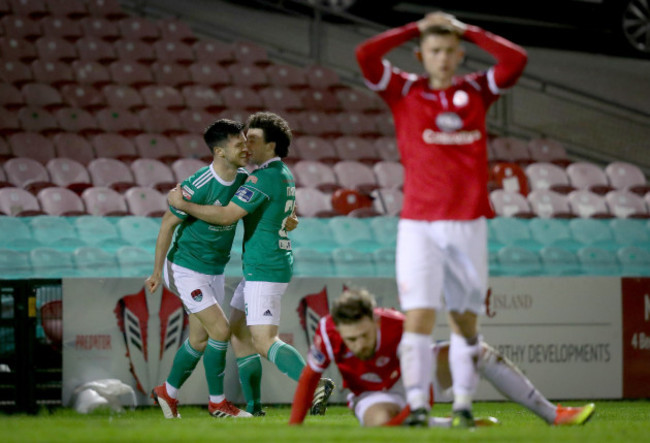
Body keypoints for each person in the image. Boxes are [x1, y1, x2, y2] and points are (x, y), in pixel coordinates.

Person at [355, 11, 528, 427]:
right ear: (421, 54)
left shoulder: (477, 90)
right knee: (419, 314)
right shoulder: (404, 91)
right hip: (418, 224)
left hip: (468, 222)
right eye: (434, 50)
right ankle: (417, 405)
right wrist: (416, 26)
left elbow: (516, 60)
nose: (443, 58)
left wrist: (466, 28)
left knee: (465, 319)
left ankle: (464, 404)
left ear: (459, 54)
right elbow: (365, 54)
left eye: (451, 51)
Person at [167, 111, 335, 416]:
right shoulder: (282, 174)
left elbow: (227, 215)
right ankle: (255, 408)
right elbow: (283, 214)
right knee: (238, 334)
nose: (247, 145)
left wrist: (183, 205)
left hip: (265, 268)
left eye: (253, 140)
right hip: (263, 266)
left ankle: (313, 383)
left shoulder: (262, 177)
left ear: (270, 146)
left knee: (263, 340)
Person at [289, 289, 595, 427]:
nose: (358, 345)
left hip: (412, 376)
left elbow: (424, 381)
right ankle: (450, 425)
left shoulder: (398, 325)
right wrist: (293, 430)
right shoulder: (329, 331)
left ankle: (554, 415)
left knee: (477, 351)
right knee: (380, 426)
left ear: (376, 321)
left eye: (364, 336)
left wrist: (417, 408)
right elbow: (308, 379)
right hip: (368, 393)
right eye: (351, 339)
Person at [146, 119, 255, 419]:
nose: (246, 148)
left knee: (199, 339)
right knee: (221, 330)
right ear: (219, 151)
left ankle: (167, 392)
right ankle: (218, 404)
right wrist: (157, 271)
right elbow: (167, 225)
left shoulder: (244, 179)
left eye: (246, 142)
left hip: (215, 270)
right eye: (239, 144)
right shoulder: (198, 185)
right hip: (185, 268)